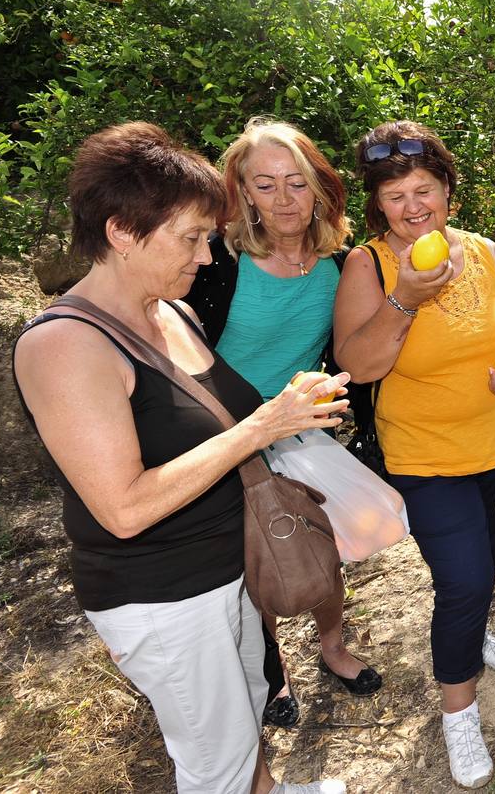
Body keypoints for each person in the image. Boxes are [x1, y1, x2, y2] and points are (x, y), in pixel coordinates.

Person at [12, 122, 349, 794]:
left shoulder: (175, 315)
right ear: (121, 232)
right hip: (166, 596)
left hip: (231, 568)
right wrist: (263, 425)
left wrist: (285, 407)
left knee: (247, 714)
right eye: (190, 238)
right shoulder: (65, 346)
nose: (205, 256)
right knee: (213, 765)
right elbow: (124, 507)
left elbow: (208, 426)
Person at [332, 120, 495, 790]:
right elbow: (357, 366)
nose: (411, 205)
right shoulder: (369, 264)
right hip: (423, 455)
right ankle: (459, 713)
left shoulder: (483, 251)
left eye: (423, 189)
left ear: (447, 188)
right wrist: (404, 301)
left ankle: (475, 636)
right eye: (395, 196)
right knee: (463, 580)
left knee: (485, 554)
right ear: (377, 205)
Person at [183, 117, 382, 729]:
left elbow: (351, 351)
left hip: (303, 433)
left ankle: (332, 646)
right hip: (227, 438)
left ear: (320, 187)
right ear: (240, 190)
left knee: (319, 547)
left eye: (296, 182)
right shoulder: (216, 261)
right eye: (264, 185)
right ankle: (275, 671)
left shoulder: (341, 263)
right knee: (256, 561)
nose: (284, 200)